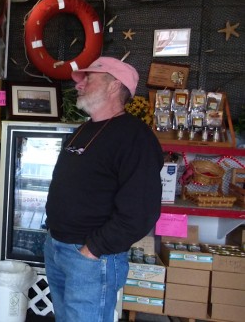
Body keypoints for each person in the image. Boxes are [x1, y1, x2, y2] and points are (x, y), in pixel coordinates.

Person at [44, 57, 163, 321]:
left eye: (89, 79)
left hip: (90, 258)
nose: (79, 85)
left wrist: (93, 250)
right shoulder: (84, 129)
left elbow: (141, 211)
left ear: (113, 86)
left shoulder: (135, 137)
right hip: (57, 249)